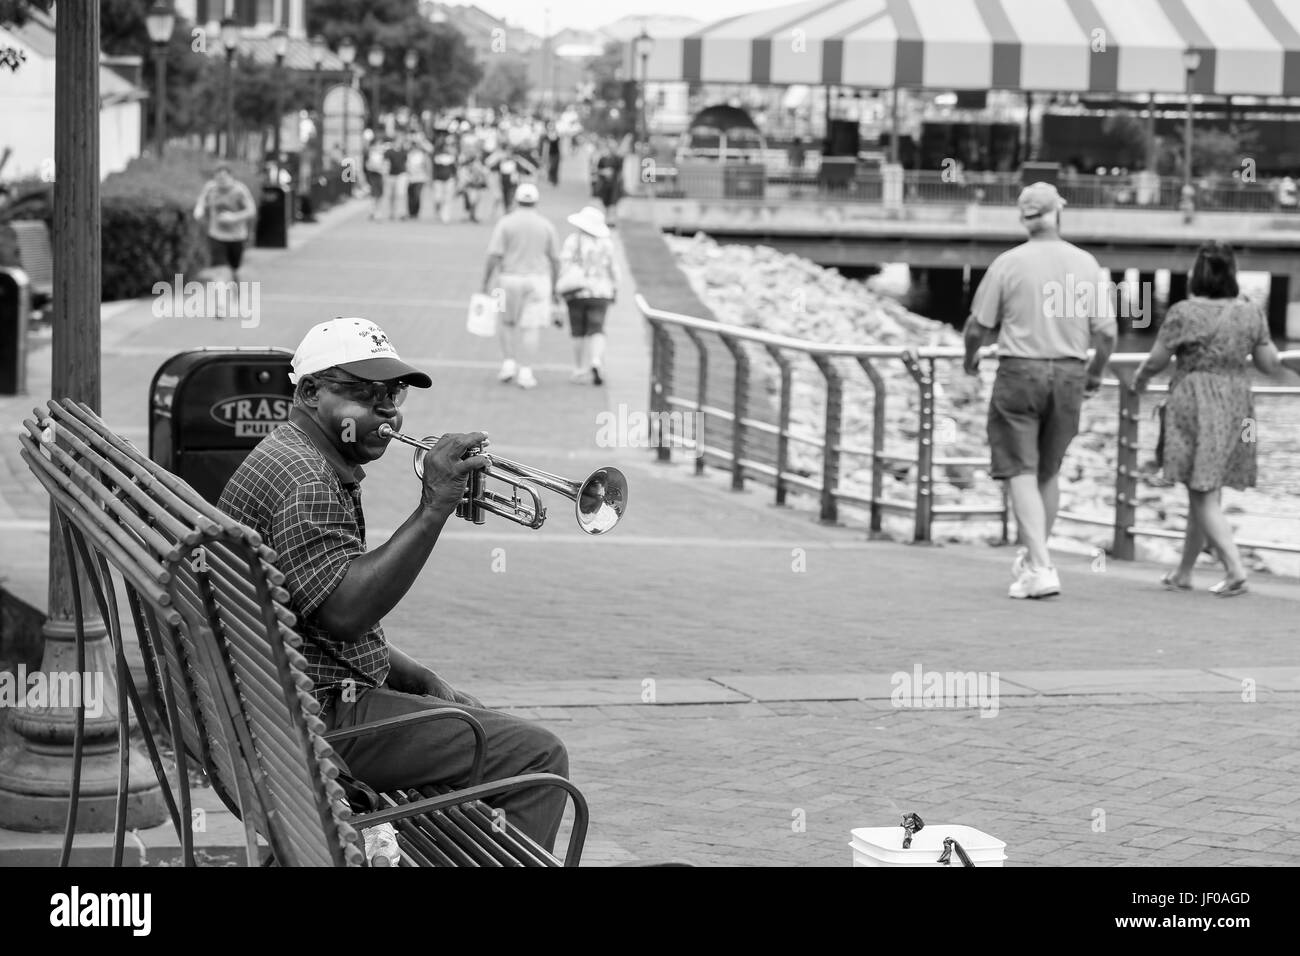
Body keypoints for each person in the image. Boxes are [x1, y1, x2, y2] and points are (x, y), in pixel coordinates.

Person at [217, 317, 571, 852]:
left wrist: (412, 672)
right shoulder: (308, 480)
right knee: (536, 756)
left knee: (477, 722)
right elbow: (343, 612)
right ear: (310, 392)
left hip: (278, 705)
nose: (386, 408)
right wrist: (433, 508)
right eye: (363, 393)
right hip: (317, 723)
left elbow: (313, 611)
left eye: (392, 393)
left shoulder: (292, 454)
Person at [963, 182, 1117, 599]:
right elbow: (1106, 333)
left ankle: (1043, 566)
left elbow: (978, 326)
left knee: (1019, 469)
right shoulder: (1086, 264)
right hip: (1069, 373)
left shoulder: (1007, 264)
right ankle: (1034, 561)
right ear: (1058, 213)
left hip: (1019, 372)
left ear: (1024, 218)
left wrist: (970, 360)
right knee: (1048, 472)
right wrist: (1096, 374)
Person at [1132, 242, 1283, 597]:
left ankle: (1235, 569)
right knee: (1204, 489)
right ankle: (1184, 572)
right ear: (1232, 273)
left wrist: (1139, 379)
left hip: (1193, 400)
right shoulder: (1250, 313)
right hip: (1237, 404)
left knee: (1200, 489)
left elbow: (1156, 360)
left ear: (1196, 273)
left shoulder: (1184, 312)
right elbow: (1269, 364)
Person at [481, 183, 560, 390]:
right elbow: (555, 259)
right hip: (538, 279)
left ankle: (508, 363)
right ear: (536, 202)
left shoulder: (505, 223)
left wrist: (485, 282)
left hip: (506, 279)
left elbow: (494, 255)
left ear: (516, 200)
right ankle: (526, 370)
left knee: (505, 322)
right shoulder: (546, 225)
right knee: (531, 326)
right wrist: (556, 287)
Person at [558, 205, 619, 385]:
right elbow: (614, 270)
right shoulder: (606, 243)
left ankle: (578, 368)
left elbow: (564, 266)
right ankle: (596, 360)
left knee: (578, 331)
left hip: (576, 291)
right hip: (601, 291)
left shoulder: (573, 241)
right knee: (597, 328)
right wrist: (615, 287)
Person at [194, 164, 257, 291]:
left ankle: (234, 286)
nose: (220, 182)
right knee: (220, 269)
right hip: (216, 235)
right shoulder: (210, 188)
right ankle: (221, 303)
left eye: (223, 178)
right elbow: (202, 199)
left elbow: (251, 210)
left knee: (234, 268)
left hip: (236, 236)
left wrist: (234, 217)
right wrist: (199, 209)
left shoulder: (240, 190)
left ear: (231, 177)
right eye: (218, 179)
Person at [594, 139, 624, 227]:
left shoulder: (617, 159)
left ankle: (612, 220)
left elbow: (620, 171)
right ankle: (606, 219)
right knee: (605, 203)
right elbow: (597, 170)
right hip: (604, 185)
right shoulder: (603, 159)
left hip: (614, 185)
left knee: (613, 203)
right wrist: (604, 172)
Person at [431, 137, 459, 223]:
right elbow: (433, 169)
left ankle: (446, 216)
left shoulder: (452, 156)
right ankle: (438, 211)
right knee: (438, 198)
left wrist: (456, 179)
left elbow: (454, 169)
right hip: (438, 180)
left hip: (449, 180)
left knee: (448, 199)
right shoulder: (436, 155)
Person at [384, 135, 409, 221]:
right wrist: (385, 175)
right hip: (391, 175)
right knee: (391, 195)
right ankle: (392, 212)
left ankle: (402, 213)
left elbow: (406, 163)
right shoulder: (389, 152)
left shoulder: (404, 151)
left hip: (401, 175)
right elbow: (386, 163)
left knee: (401, 194)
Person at [458, 150, 488, 223]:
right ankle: (471, 216)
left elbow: (485, 172)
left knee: (476, 201)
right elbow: (464, 175)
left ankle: (473, 216)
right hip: (470, 186)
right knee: (471, 201)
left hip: (478, 186)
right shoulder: (466, 167)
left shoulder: (479, 165)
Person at [404, 137, 429, 220]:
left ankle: (416, 212)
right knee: (410, 195)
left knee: (416, 195)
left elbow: (426, 166)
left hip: (420, 178)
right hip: (410, 178)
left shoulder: (422, 155)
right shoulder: (409, 154)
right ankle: (411, 212)